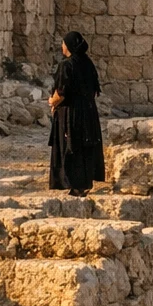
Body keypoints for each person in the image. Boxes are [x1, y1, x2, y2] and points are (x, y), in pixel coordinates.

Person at [48, 30, 105, 196]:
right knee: (85, 146)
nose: (62, 46)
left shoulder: (67, 65)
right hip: (88, 112)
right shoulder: (88, 63)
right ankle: (84, 183)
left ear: (69, 46)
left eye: (64, 43)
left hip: (71, 113)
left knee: (70, 146)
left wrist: (52, 102)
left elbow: (62, 91)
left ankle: (73, 184)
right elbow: (94, 89)